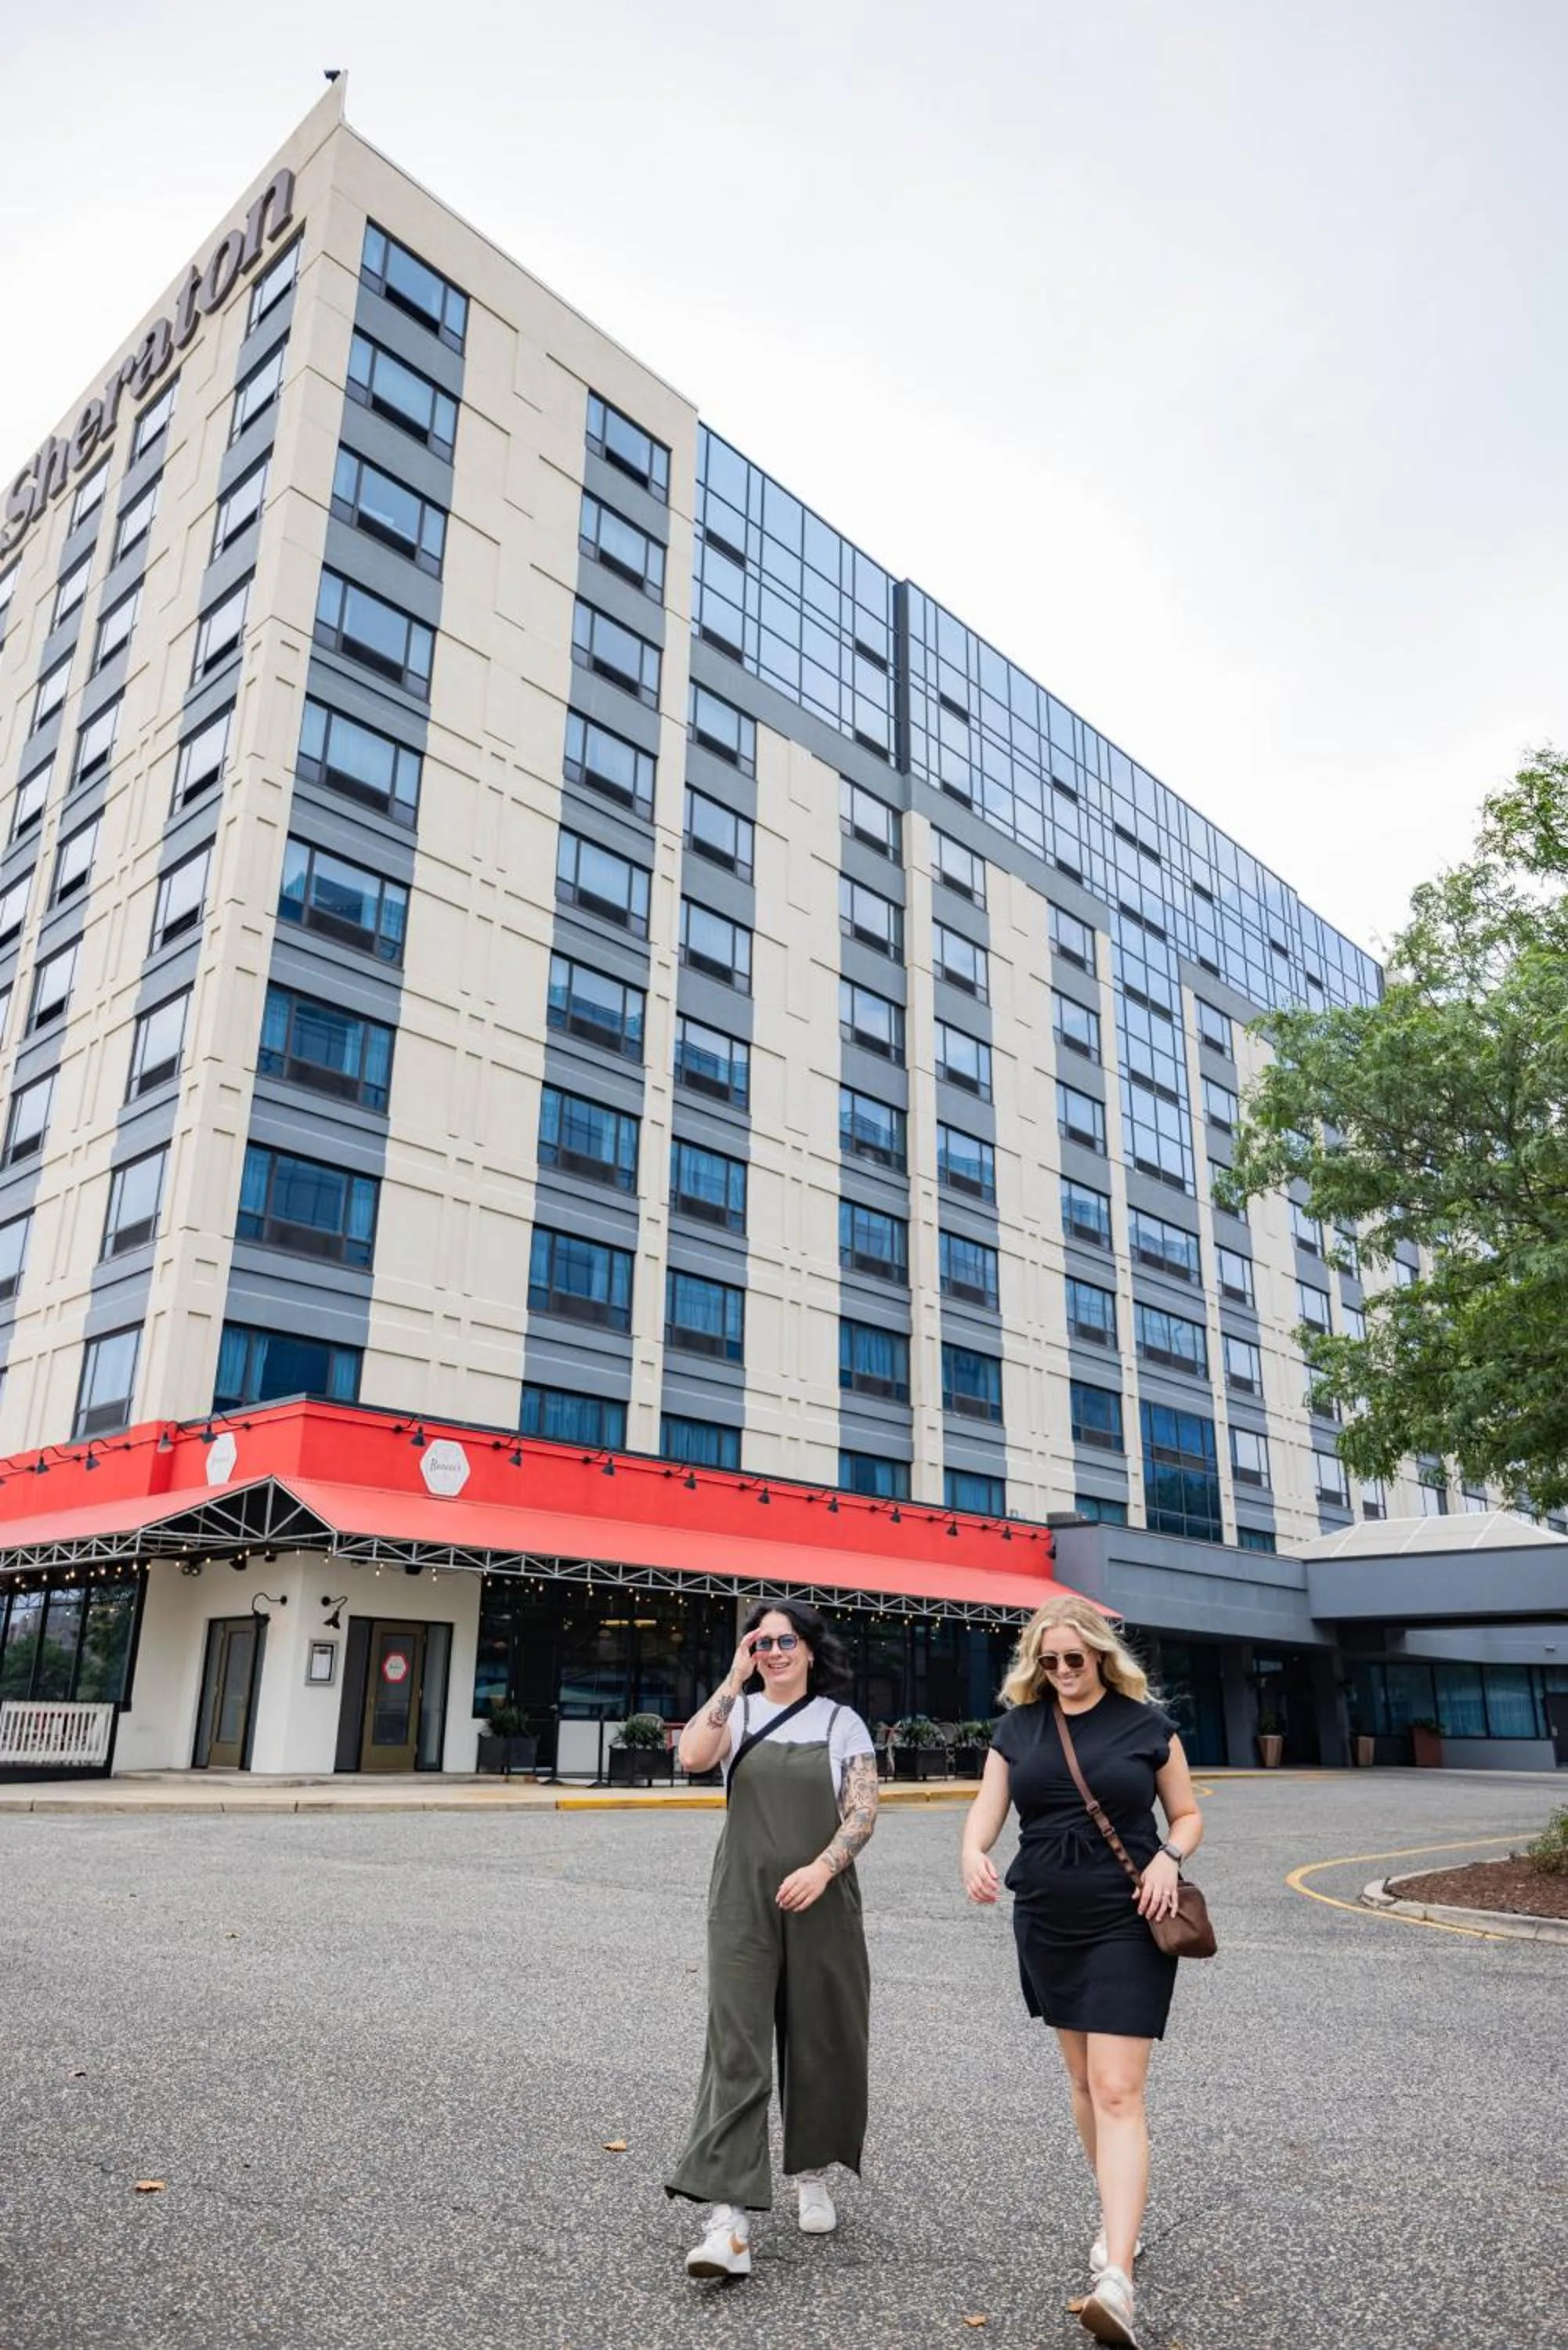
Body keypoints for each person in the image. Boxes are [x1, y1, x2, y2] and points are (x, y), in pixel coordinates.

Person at [959, 1596, 1203, 2348]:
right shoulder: (1018, 1729)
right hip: (1048, 1921)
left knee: (1118, 2088)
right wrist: (973, 1851)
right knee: (1081, 2085)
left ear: (1099, 1655)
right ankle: (1114, 2215)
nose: (1062, 1671)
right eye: (1049, 1660)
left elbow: (1188, 1815)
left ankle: (1117, 2278)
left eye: (1074, 1658)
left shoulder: (1146, 1727)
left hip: (1128, 1918)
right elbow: (986, 1810)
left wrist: (1169, 1856)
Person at [666, 1597, 880, 2280]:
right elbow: (692, 1756)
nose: (776, 1653)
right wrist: (733, 1678)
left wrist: (822, 1868)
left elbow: (863, 1811)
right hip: (741, 1899)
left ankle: (810, 2172)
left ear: (811, 1650)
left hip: (823, 1898)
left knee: (819, 2036)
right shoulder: (742, 1712)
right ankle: (728, 2217)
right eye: (762, 1643)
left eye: (787, 1642)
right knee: (738, 2045)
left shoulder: (842, 1723)